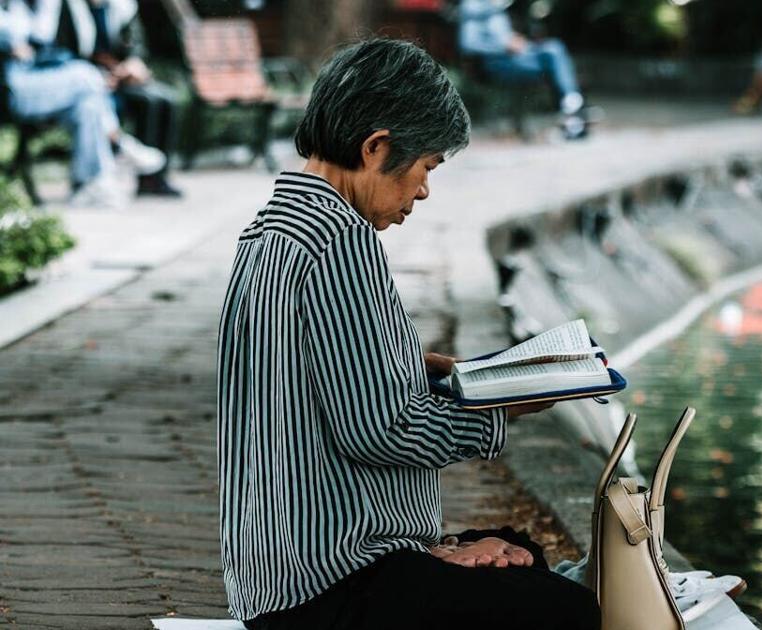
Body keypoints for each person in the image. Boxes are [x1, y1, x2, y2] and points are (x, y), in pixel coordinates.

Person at [217, 38, 601, 630]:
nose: (422, 191)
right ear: (376, 148)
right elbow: (383, 432)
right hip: (328, 583)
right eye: (425, 167)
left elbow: (298, 368)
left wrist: (411, 363)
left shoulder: (270, 231)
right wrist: (506, 408)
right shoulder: (340, 244)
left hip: (271, 574)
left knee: (516, 550)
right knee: (568, 609)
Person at [0, 0, 163, 208]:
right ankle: (118, 145)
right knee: (87, 77)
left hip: (36, 79)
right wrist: (13, 39)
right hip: (11, 87)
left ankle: (89, 185)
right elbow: (15, 34)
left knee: (88, 104)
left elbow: (44, 39)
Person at [30, 0, 182, 197]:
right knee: (110, 104)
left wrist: (133, 63)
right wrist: (97, 73)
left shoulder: (123, 7)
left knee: (164, 100)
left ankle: (153, 178)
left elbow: (135, 44)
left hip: (120, 78)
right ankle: (114, 158)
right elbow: (62, 50)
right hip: (87, 79)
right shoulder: (68, 7)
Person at [458, 0, 589, 140]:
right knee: (553, 63)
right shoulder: (473, 8)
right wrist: (504, 46)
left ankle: (571, 104)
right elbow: (468, 44)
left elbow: (506, 39)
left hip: (516, 59)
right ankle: (571, 108)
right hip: (496, 64)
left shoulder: (495, 7)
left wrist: (519, 43)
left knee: (554, 47)